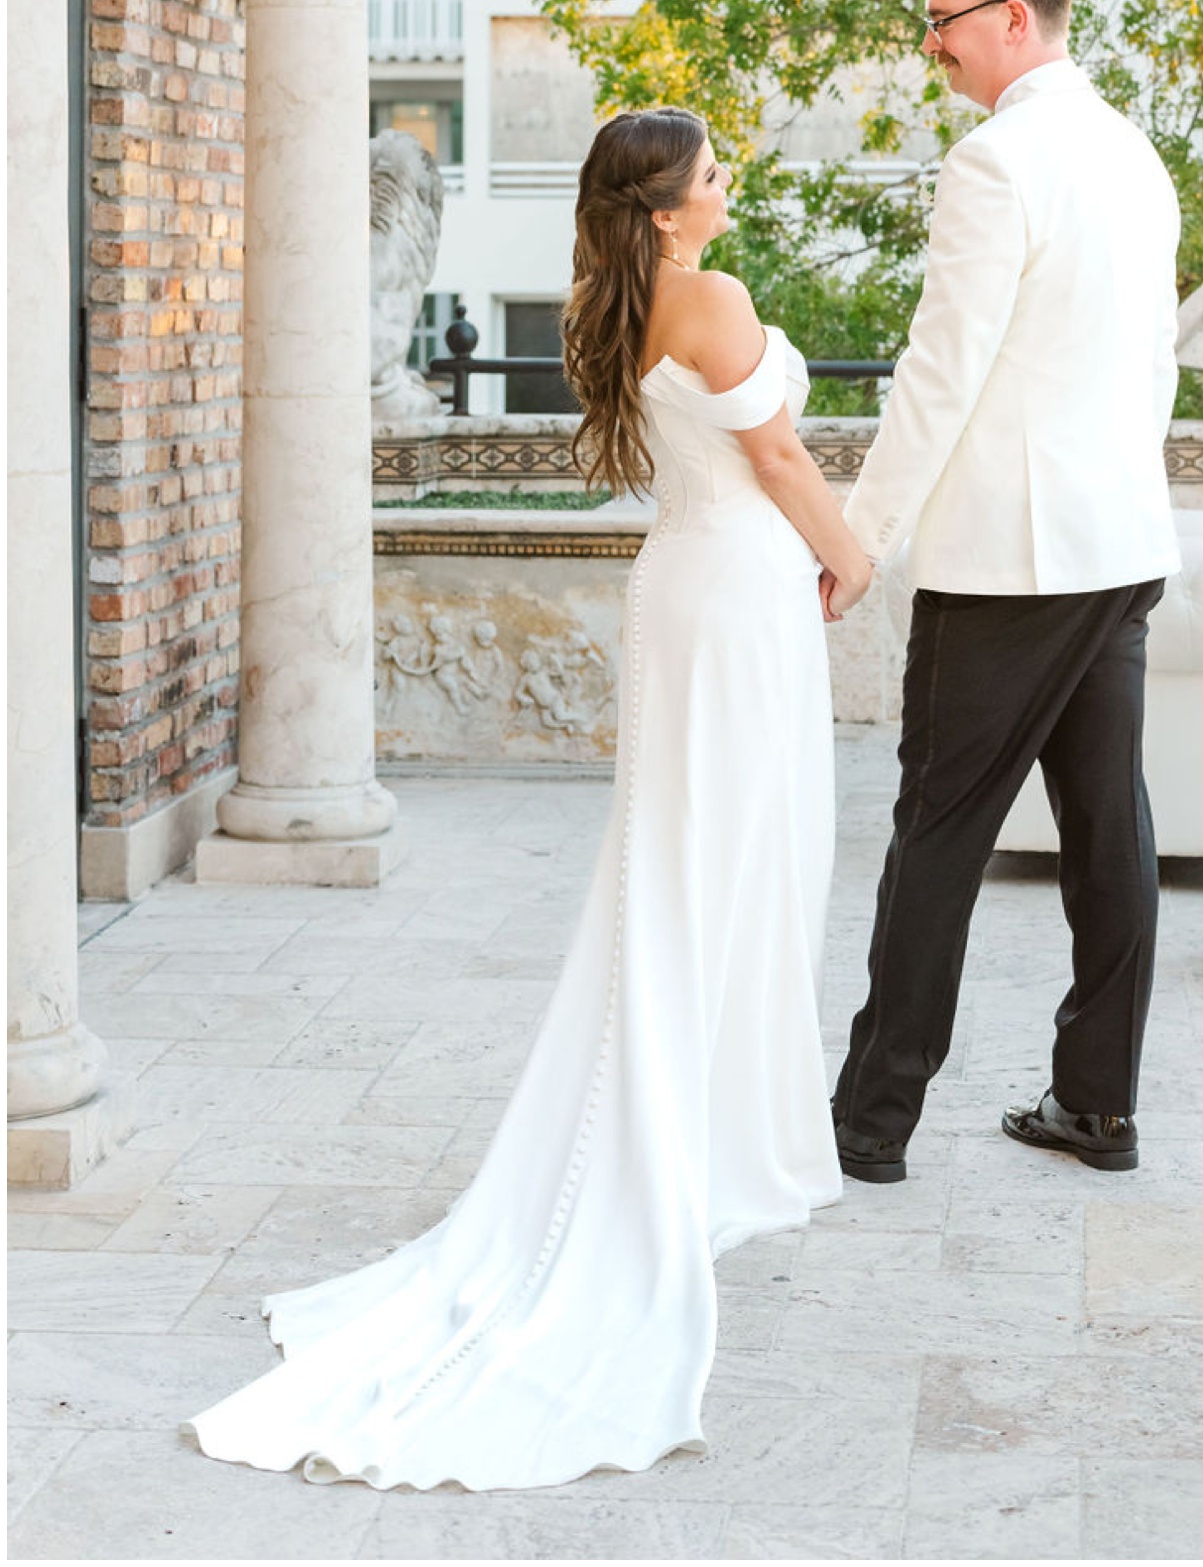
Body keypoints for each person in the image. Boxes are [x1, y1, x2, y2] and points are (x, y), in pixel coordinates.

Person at [188, 108, 873, 1491]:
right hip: (740, 587)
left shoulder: (608, 301)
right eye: (711, 173)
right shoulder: (713, 295)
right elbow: (786, 459)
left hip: (684, 580)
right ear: (669, 203)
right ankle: (716, 1131)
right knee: (738, 849)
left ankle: (723, 1115)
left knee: (685, 856)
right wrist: (853, 561)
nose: (725, 185)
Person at [828, 0, 1181, 1184]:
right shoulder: (1135, 155)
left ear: (1011, 19)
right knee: (1108, 832)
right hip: (1117, 541)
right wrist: (1114, 493)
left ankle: (869, 1123)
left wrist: (856, 533)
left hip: (1010, 564)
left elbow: (939, 372)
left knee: (936, 830)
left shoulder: (996, 161)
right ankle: (1097, 1108)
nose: (931, 43)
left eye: (944, 18)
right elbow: (1154, 365)